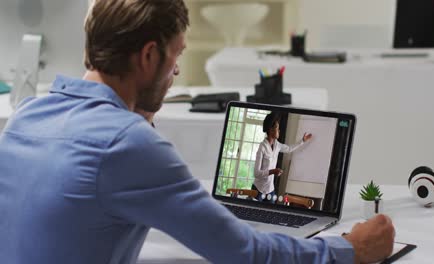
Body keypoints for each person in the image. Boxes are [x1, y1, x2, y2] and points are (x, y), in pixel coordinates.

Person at [0, 1, 395, 263]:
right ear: (150, 55)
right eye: (177, 56)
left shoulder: (27, 115)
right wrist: (348, 250)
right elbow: (244, 253)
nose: (175, 72)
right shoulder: (127, 143)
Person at [253, 112, 312, 202]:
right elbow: (256, 173)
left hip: (270, 190)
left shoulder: (277, 145)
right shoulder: (262, 147)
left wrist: (302, 141)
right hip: (258, 190)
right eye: (277, 127)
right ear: (270, 129)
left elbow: (289, 149)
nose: (279, 130)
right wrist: (273, 171)